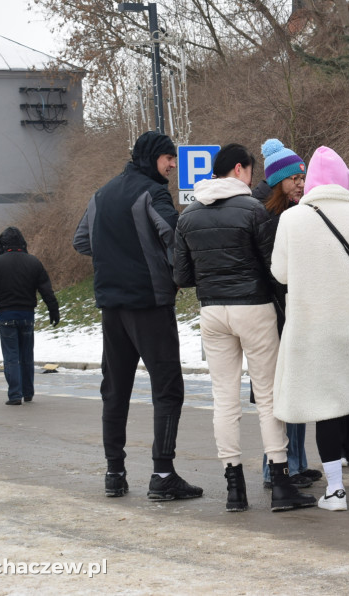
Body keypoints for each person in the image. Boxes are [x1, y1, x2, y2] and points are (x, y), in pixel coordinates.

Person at [173, 142, 316, 513]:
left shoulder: (187, 216)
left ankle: (234, 487)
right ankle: (281, 483)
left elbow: (182, 276)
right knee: (268, 397)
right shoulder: (253, 210)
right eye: (252, 172)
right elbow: (274, 269)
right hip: (253, 308)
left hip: (212, 313)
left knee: (224, 400)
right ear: (239, 169)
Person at [72, 130, 202, 502]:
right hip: (149, 305)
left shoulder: (102, 193)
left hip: (112, 309)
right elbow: (174, 239)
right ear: (152, 158)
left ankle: (115, 473)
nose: (173, 165)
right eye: (168, 158)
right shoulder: (153, 192)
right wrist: (175, 273)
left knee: (115, 391)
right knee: (167, 389)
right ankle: (163, 474)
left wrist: (114, 256)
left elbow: (81, 241)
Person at [271, 146, 349, 511]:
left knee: (327, 407)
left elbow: (280, 272)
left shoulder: (291, 219)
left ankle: (335, 492)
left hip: (313, 329)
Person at [253, 138, 322, 489]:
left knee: (296, 391)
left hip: (292, 312)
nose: (301, 182)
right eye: (294, 177)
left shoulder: (290, 213)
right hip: (276, 315)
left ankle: (295, 463)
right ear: (278, 181)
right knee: (282, 394)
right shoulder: (269, 216)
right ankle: (276, 468)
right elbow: (275, 273)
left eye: (303, 176)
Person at [0, 226, 60, 405]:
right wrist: (53, 309)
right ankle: (28, 392)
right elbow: (46, 289)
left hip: (6, 314)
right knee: (26, 355)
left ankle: (15, 395)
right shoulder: (33, 262)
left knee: (11, 356)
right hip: (27, 314)